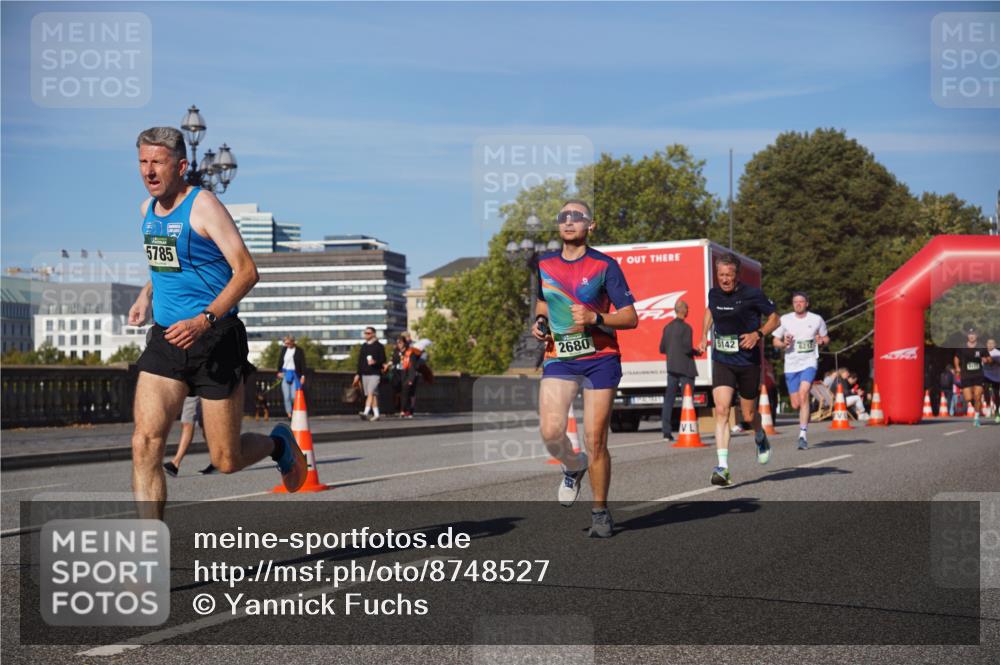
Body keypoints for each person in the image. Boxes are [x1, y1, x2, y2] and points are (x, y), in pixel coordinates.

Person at [129, 126, 306, 520]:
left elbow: (246, 271)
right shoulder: (147, 211)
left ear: (182, 165)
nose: (149, 171)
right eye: (143, 162)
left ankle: (279, 445)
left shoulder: (204, 205)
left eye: (158, 162)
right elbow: (167, 265)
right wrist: (146, 295)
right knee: (144, 443)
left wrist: (204, 320)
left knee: (226, 459)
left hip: (216, 339)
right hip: (168, 340)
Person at [531, 200, 638, 538]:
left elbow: (631, 317)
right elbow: (543, 301)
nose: (569, 221)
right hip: (560, 356)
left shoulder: (606, 266)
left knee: (595, 439)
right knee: (550, 432)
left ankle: (600, 511)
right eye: (564, 216)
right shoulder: (544, 264)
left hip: (600, 358)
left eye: (577, 217)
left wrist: (597, 318)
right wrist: (539, 321)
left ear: (591, 225)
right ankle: (573, 466)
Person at [698, 253, 779, 487]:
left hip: (748, 362)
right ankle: (722, 468)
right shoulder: (714, 293)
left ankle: (760, 436)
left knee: (749, 414)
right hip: (723, 360)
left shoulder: (752, 294)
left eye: (729, 276)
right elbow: (710, 310)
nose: (724, 280)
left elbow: (775, 319)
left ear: (737, 275)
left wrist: (758, 334)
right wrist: (703, 334)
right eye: (721, 275)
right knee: (722, 409)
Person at [772, 292, 829, 449]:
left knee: (804, 393)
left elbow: (826, 337)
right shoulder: (785, 319)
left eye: (801, 301)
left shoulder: (816, 319)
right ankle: (803, 419)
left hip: (809, 362)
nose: (798, 304)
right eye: (795, 301)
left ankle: (802, 434)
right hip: (791, 365)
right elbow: (775, 340)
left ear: (807, 303)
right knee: (796, 403)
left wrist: (821, 340)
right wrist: (783, 343)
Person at [658, 299, 698, 441]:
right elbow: (687, 348)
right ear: (683, 310)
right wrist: (697, 352)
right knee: (687, 400)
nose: (688, 311)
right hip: (686, 369)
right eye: (687, 309)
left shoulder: (667, 327)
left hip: (671, 368)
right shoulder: (687, 328)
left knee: (669, 400)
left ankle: (666, 432)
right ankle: (687, 429)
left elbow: (662, 349)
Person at [162, 396, 215, 476]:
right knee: (205, 425)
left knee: (188, 422)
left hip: (194, 389)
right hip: (201, 388)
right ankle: (217, 460)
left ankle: (175, 463)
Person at [953, 325, 992, 427]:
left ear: (976, 336)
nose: (971, 336)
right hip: (966, 375)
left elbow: (989, 359)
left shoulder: (981, 346)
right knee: (968, 398)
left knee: (978, 396)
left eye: (973, 334)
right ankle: (977, 406)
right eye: (970, 334)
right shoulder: (962, 347)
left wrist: (986, 360)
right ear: (967, 336)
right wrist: (957, 367)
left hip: (978, 375)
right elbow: (956, 358)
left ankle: (977, 418)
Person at [355, 326, 386, 421]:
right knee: (373, 395)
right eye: (365, 333)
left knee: (370, 392)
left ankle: (365, 412)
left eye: (368, 333)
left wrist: (375, 362)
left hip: (375, 373)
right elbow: (360, 362)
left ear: (373, 334)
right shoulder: (364, 346)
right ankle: (376, 414)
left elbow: (383, 360)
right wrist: (357, 374)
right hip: (365, 373)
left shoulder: (379, 346)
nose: (366, 335)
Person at [276, 335, 306, 419]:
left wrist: (303, 376)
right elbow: (280, 361)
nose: (287, 345)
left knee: (294, 396)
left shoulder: (299, 351)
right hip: (285, 374)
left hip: (295, 375)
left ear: (293, 342)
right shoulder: (284, 350)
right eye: (285, 343)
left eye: (288, 343)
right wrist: (279, 372)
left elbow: (303, 364)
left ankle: (295, 411)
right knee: (286, 396)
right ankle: (289, 414)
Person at [986, 338, 1000, 423]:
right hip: (986, 375)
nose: (990, 345)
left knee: (996, 394)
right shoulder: (983, 353)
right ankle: (988, 407)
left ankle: (997, 410)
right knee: (985, 390)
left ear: (995, 345)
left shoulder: (998, 353)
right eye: (988, 343)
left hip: (996, 376)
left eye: (992, 343)